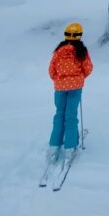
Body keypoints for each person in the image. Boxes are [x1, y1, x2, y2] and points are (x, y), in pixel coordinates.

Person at [47, 22, 93, 164]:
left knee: (59, 114)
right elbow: (88, 68)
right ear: (79, 36)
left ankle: (54, 146)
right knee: (71, 116)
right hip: (75, 87)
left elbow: (51, 70)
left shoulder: (58, 51)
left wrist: (59, 80)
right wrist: (79, 78)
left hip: (60, 88)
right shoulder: (81, 51)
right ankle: (70, 147)